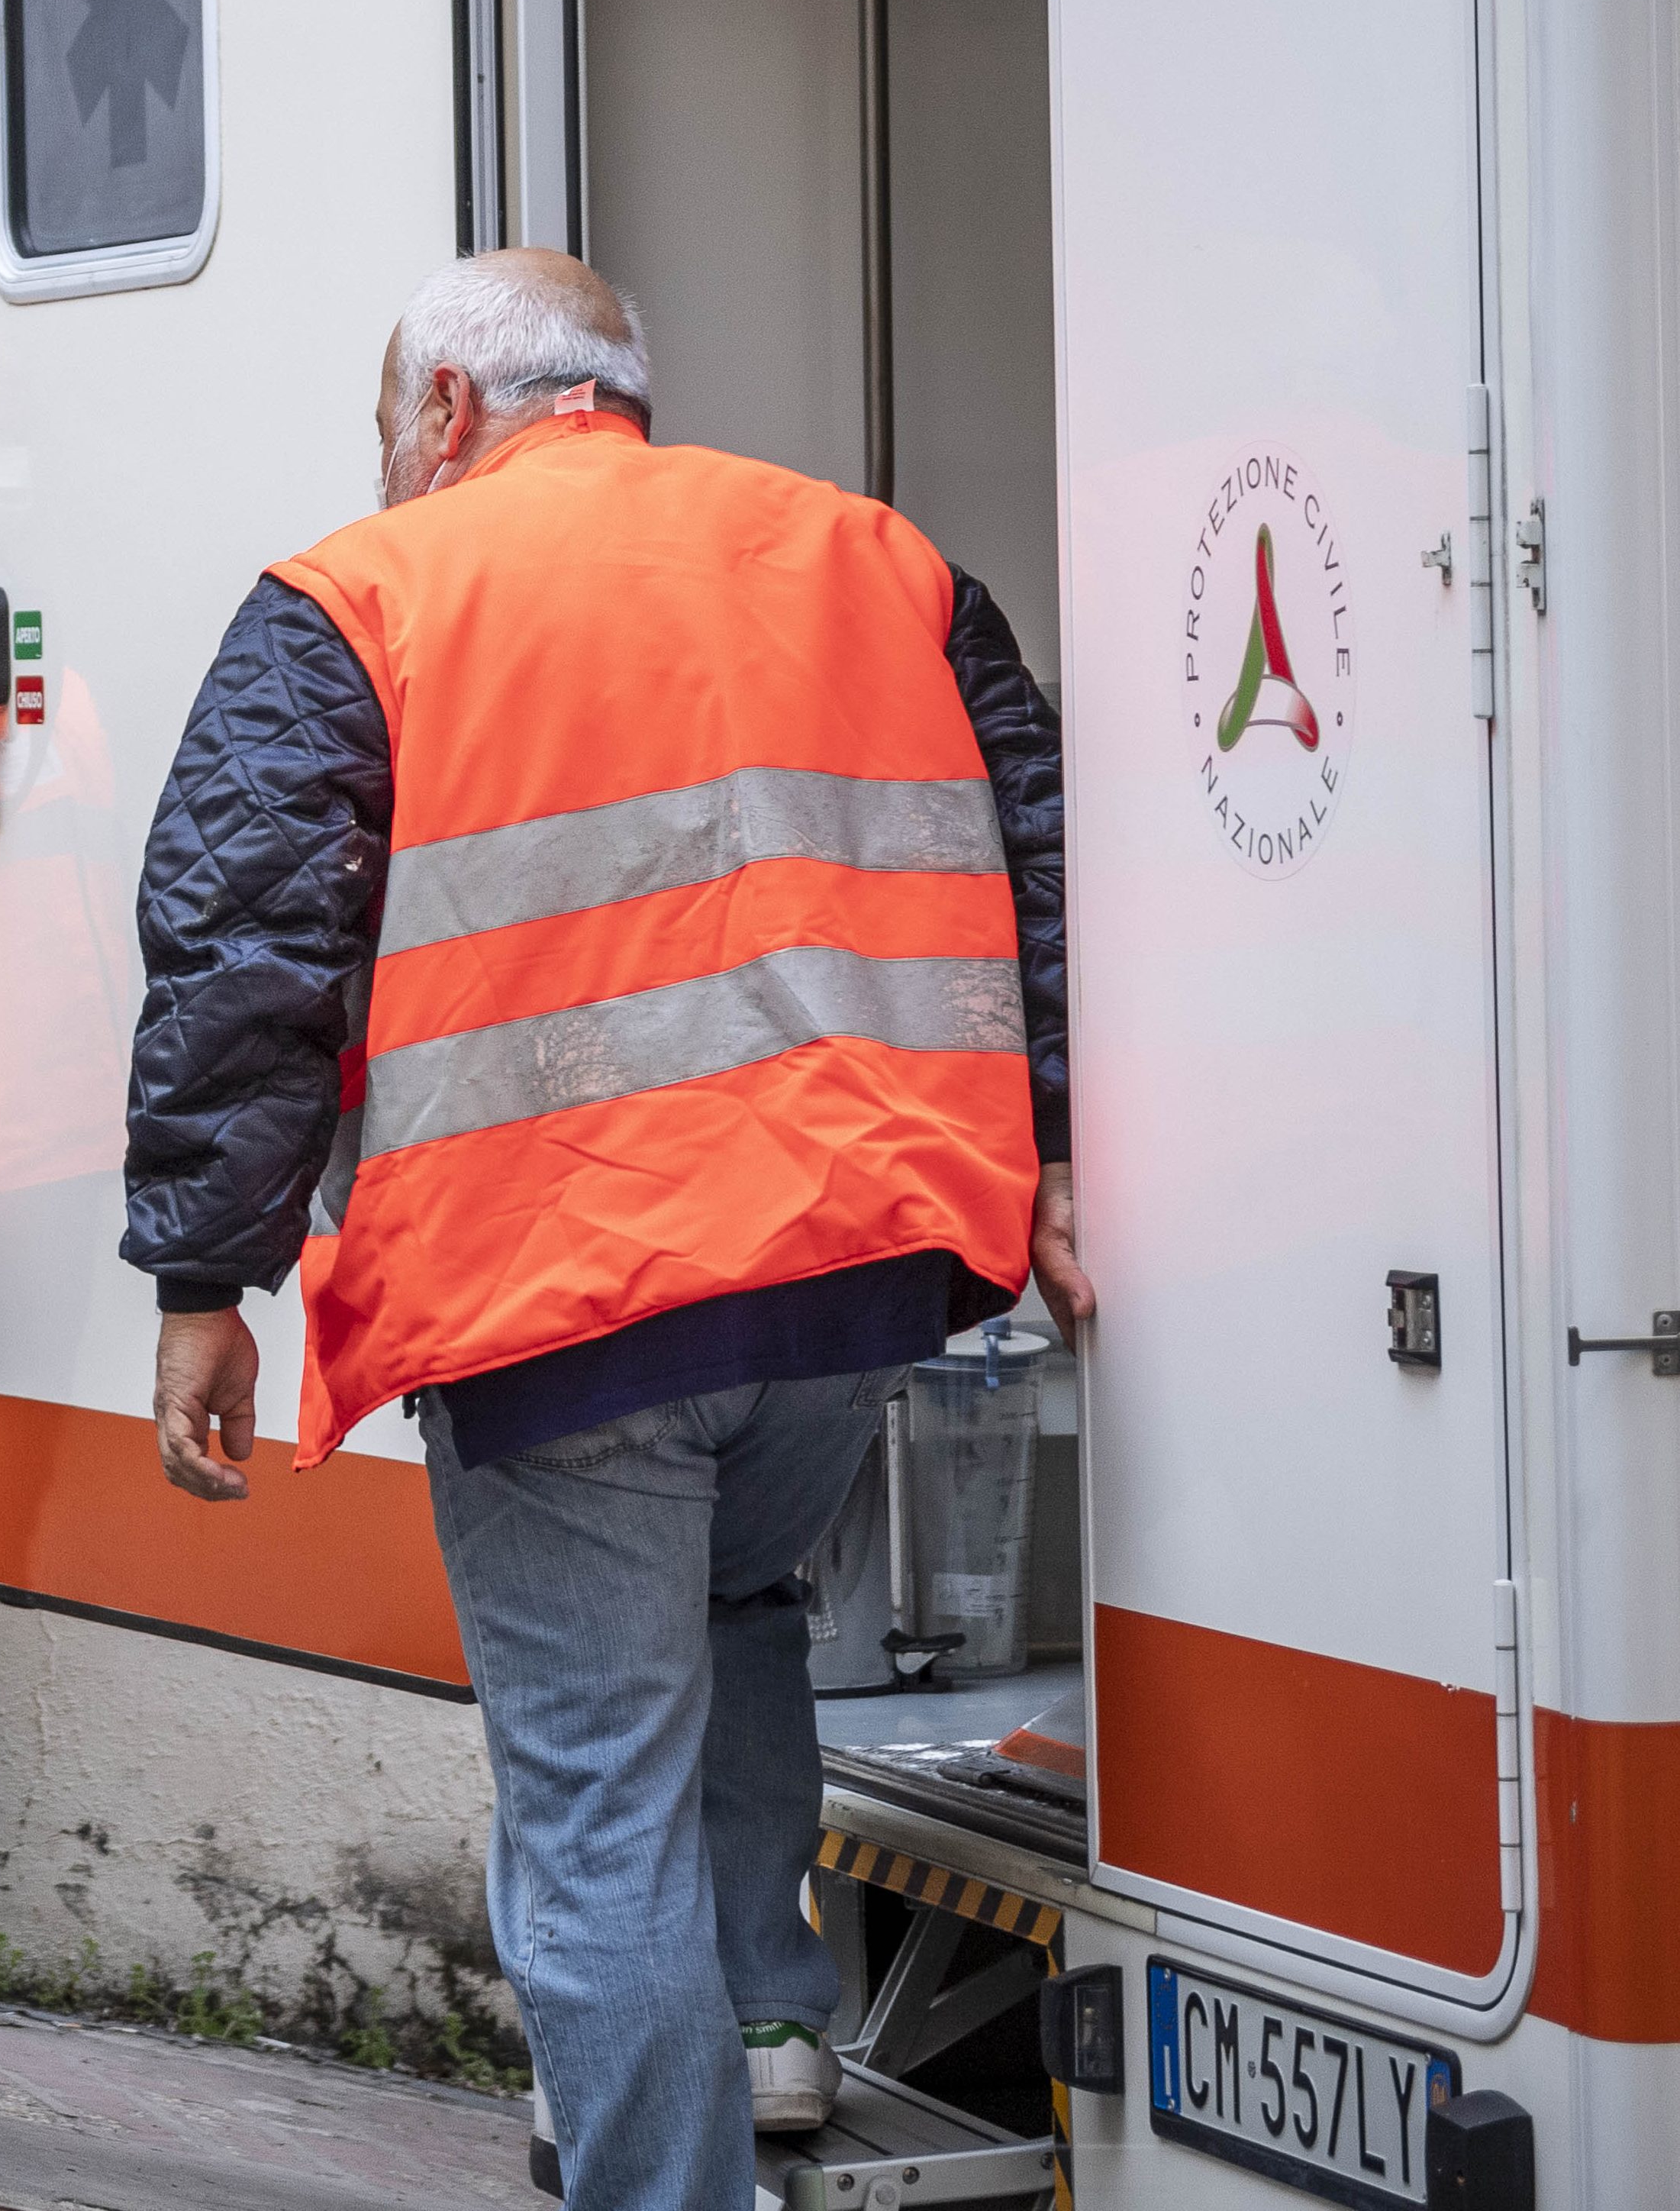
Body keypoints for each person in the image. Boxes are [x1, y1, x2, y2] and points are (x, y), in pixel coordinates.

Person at [118, 250, 1092, 2211]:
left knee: (589, 1811)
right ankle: (767, 2024)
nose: (388, 467)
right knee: (737, 1606)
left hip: (556, 1298)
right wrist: (1052, 1144)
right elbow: (1045, 852)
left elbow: (242, 954)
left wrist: (201, 1280)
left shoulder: (355, 599)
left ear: (454, 412)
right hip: (855, 1282)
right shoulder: (875, 558)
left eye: (392, 427)